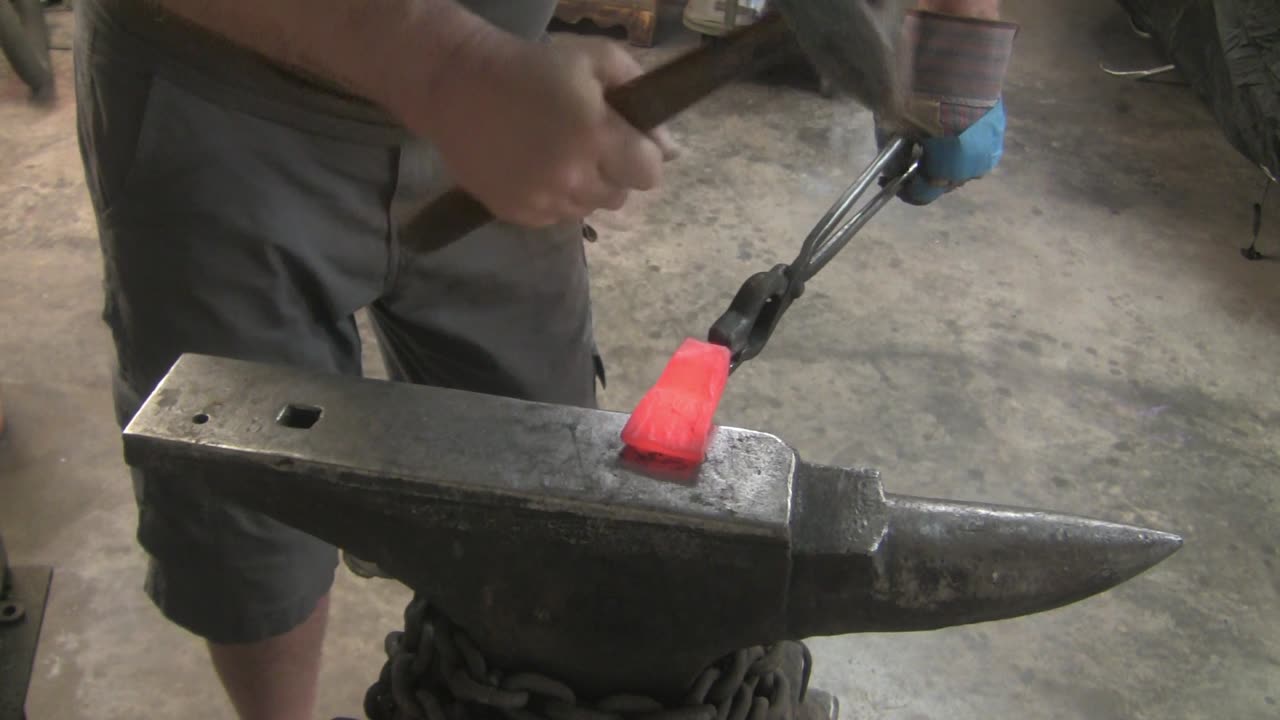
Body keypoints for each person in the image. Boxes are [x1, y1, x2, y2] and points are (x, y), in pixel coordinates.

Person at [72, 0, 1012, 718]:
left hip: (519, 94)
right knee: (250, 531)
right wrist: (447, 71)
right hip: (227, 91)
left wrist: (962, 34)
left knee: (558, 504)